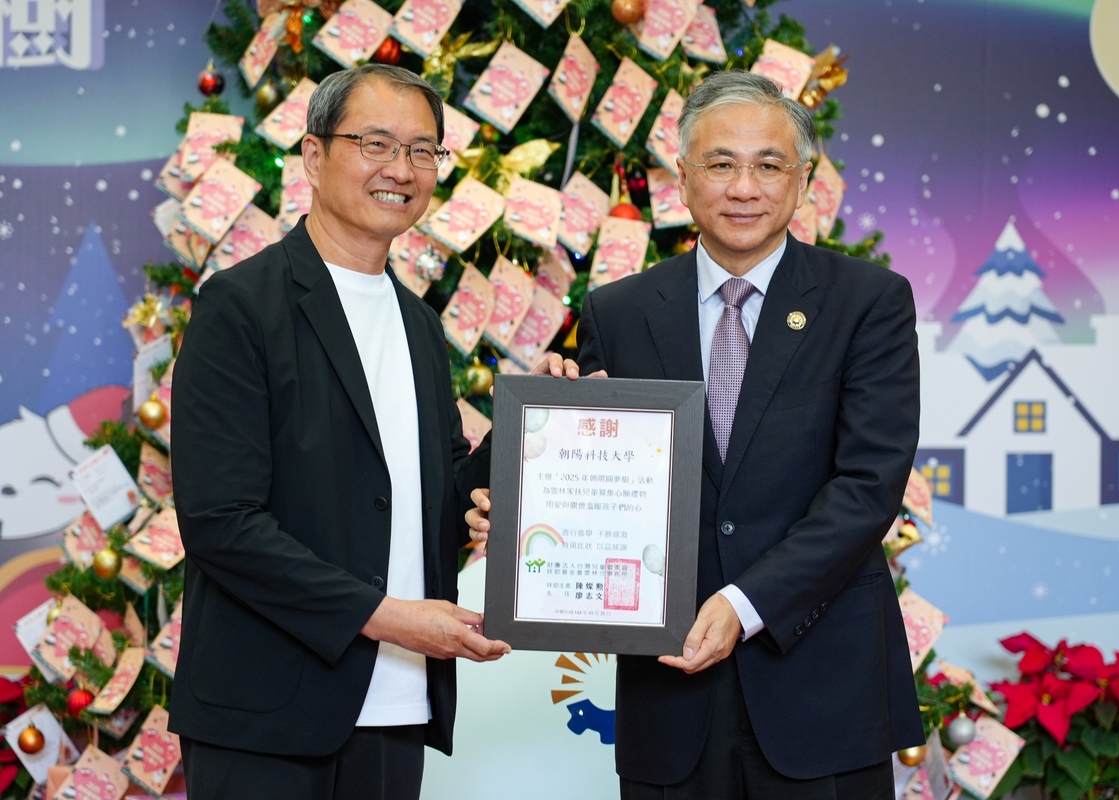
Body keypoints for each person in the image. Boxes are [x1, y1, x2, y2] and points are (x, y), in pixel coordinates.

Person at [469, 70, 923, 799]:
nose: (744, 187)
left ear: (802, 181)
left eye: (768, 164)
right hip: (670, 694)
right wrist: (549, 432)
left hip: (821, 687)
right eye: (720, 163)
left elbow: (869, 486)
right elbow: (600, 481)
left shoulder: (866, 302)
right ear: (681, 178)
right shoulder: (619, 309)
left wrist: (744, 604)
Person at [170, 65, 514, 800]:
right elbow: (219, 522)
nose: (402, 170)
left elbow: (438, 501)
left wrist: (534, 420)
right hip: (264, 717)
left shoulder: (420, 323)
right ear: (315, 156)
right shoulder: (239, 308)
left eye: (424, 151)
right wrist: (391, 618)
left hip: (396, 710)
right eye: (376, 143)